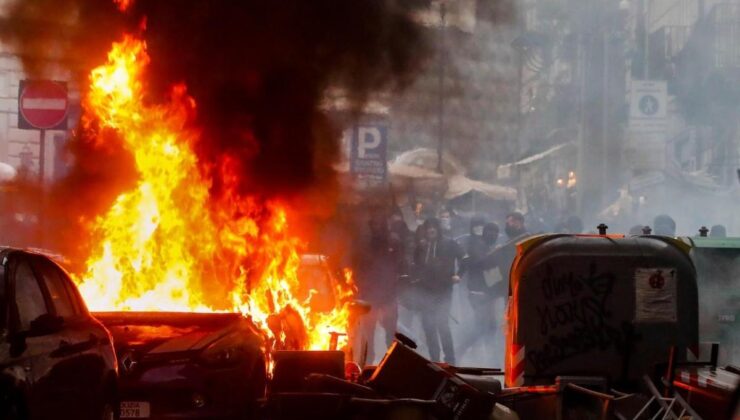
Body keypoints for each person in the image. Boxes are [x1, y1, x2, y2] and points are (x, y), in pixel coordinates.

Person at [414, 217, 463, 364]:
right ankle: (434, 360)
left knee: (442, 324)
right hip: (425, 291)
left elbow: (465, 259)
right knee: (428, 326)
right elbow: (415, 266)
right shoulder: (421, 247)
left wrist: (458, 275)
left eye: (434, 226)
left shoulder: (449, 244)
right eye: (428, 227)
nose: (431, 229)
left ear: (438, 229)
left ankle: (450, 360)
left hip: (444, 290)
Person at [355, 214, 401, 365]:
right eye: (374, 225)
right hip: (370, 296)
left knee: (390, 335)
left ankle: (392, 366)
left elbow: (399, 265)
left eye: (379, 224)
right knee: (369, 335)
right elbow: (359, 268)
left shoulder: (393, 242)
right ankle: (367, 364)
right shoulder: (365, 244)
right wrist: (362, 287)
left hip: (388, 294)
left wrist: (396, 286)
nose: (376, 227)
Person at [458, 220, 500, 362]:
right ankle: (460, 351)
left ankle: (490, 358)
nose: (492, 235)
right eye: (490, 231)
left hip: (483, 293)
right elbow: (486, 268)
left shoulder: (485, 247)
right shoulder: (481, 247)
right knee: (482, 327)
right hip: (479, 293)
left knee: (489, 326)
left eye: (495, 232)